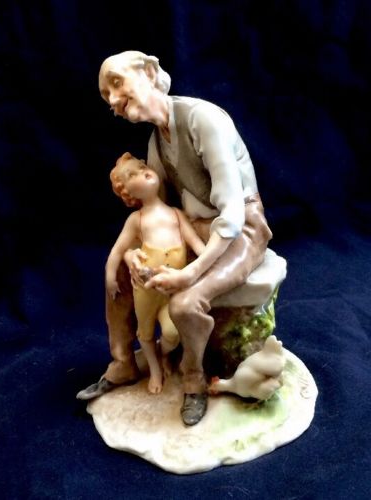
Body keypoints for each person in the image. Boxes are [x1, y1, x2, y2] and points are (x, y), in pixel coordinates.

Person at [77, 51, 272, 426]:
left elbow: (232, 215)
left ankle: (194, 379)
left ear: (149, 73)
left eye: (116, 83)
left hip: (239, 230)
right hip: (193, 229)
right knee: (120, 274)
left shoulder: (204, 119)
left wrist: (190, 272)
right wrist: (133, 254)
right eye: (106, 97)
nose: (114, 100)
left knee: (184, 303)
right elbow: (158, 213)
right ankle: (123, 362)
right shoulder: (156, 143)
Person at [104, 152, 205, 394]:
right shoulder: (136, 220)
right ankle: (155, 369)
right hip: (146, 290)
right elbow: (117, 250)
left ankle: (164, 353)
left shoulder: (176, 214)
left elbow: (197, 245)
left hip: (173, 288)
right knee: (146, 330)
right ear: (128, 194)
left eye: (142, 167)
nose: (143, 172)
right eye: (133, 175)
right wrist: (110, 277)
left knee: (172, 333)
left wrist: (209, 261)